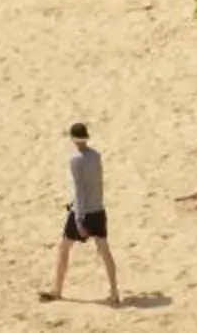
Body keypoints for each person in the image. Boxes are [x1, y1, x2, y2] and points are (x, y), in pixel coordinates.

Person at [45, 121, 121, 305]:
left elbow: (80, 188)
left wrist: (78, 217)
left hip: (83, 211)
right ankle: (114, 291)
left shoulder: (75, 160)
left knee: (64, 248)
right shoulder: (96, 156)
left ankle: (57, 289)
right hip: (98, 209)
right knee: (104, 251)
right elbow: (95, 185)